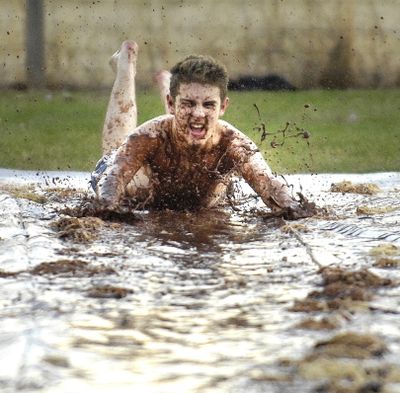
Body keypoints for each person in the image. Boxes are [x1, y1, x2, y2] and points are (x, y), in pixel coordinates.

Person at [91, 40, 315, 218]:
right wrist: (106, 206)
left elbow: (268, 183)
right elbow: (113, 178)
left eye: (209, 105)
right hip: (140, 193)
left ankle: (170, 85)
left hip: (194, 195)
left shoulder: (233, 144)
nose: (199, 113)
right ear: (170, 104)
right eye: (188, 103)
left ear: (223, 107)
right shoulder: (149, 136)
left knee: (186, 123)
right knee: (116, 145)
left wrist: (293, 207)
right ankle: (125, 67)